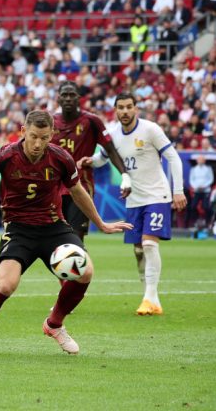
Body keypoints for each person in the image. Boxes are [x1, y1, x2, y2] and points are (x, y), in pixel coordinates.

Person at [0, 110, 131, 356]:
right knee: (6, 284)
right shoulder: (5, 155)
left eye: (44, 137)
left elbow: (77, 192)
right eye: (33, 136)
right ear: (23, 132)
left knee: (85, 272)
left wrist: (101, 223)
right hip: (19, 229)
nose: (38, 143)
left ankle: (54, 324)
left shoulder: (61, 158)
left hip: (54, 227)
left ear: (52, 135)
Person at [83, 92, 186, 315]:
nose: (125, 111)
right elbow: (103, 157)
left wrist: (178, 190)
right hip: (133, 200)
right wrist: (90, 161)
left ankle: (150, 298)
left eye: (129, 107)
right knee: (139, 250)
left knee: (149, 244)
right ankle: (151, 297)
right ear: (116, 110)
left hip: (157, 196)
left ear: (136, 109)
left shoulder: (150, 129)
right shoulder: (112, 135)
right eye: (121, 107)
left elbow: (173, 158)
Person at [52, 81, 131, 240]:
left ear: (79, 98)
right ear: (58, 99)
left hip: (81, 186)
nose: (68, 98)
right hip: (53, 186)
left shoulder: (91, 121)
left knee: (76, 237)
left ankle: (79, 263)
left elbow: (110, 150)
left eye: (72, 95)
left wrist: (125, 176)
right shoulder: (50, 121)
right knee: (55, 238)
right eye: (64, 95)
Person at [187, 154, 213, 227]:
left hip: (206, 191)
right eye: (199, 159)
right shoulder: (193, 169)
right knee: (193, 206)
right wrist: (196, 186)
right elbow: (191, 180)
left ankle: (207, 221)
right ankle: (195, 221)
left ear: (204, 161)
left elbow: (210, 179)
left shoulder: (208, 169)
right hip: (197, 190)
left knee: (206, 207)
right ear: (197, 161)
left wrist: (204, 186)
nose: (200, 161)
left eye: (202, 159)